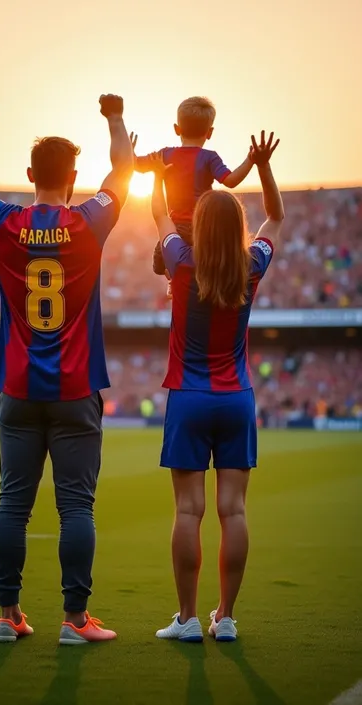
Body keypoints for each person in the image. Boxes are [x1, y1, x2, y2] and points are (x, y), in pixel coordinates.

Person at [0, 94, 133, 645]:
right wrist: (115, 118)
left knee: (12, 505)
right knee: (76, 506)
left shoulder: (4, 223)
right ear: (73, 177)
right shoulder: (88, 223)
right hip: (76, 387)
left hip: (19, 387)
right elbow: (124, 168)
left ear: (30, 175)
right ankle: (75, 622)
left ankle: (8, 615)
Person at [148, 131, 284, 642]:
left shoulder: (182, 260)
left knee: (189, 510)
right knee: (234, 511)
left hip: (188, 396)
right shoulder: (251, 265)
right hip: (236, 398)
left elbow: (160, 215)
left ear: (201, 224)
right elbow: (277, 218)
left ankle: (186, 619)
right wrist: (263, 167)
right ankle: (225, 618)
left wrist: (165, 172)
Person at [132, 96, 254, 288]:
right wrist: (251, 160)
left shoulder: (166, 154)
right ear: (210, 132)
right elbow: (230, 181)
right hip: (204, 227)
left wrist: (129, 151)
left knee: (159, 262)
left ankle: (177, 284)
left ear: (177, 129)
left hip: (176, 228)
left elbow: (136, 165)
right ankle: (195, 285)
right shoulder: (209, 158)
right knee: (206, 261)